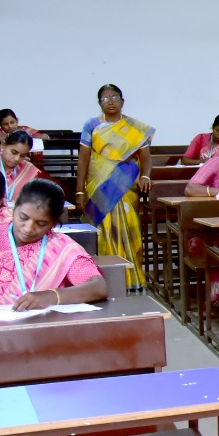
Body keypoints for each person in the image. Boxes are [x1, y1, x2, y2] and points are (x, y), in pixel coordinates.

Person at [0, 180, 109, 312]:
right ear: (14, 208)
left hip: (45, 331)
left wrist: (51, 296)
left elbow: (98, 286)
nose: (28, 228)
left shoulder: (61, 246)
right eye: (23, 217)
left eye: (41, 223)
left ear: (53, 224)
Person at [76, 83, 152, 291]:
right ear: (99, 103)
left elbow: (146, 158)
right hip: (99, 183)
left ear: (122, 101)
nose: (110, 102)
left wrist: (145, 175)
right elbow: (83, 159)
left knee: (129, 227)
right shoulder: (91, 125)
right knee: (102, 231)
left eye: (115, 97)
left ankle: (132, 278)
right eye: (105, 98)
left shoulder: (135, 127)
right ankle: (103, 280)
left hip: (125, 183)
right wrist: (80, 191)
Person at [0, 129, 43, 205]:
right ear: (3, 145)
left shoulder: (30, 170)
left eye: (22, 156)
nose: (17, 158)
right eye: (14, 152)